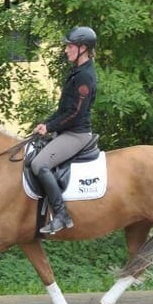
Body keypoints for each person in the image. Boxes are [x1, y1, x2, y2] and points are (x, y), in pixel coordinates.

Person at [30, 26, 98, 234]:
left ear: (83, 48)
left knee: (39, 164)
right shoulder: (76, 72)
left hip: (77, 134)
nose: (66, 50)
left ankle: (61, 215)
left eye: (70, 46)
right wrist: (46, 124)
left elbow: (75, 114)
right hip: (66, 131)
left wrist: (49, 127)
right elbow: (63, 110)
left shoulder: (85, 76)